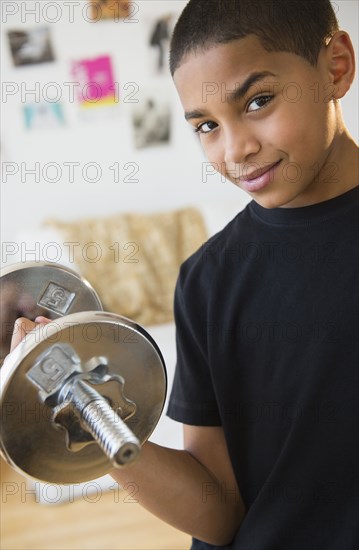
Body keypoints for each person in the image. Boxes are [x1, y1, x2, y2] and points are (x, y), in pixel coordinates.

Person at [7, 1, 358, 548]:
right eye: (207, 126)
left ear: (335, 66)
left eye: (259, 101)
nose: (235, 149)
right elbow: (218, 512)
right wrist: (86, 413)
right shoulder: (206, 281)